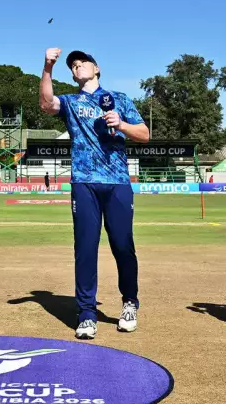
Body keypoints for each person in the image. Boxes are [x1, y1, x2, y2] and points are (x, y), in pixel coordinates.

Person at [39, 48, 150, 339]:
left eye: (82, 63)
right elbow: (47, 103)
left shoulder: (120, 99)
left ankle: (129, 303)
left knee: (123, 246)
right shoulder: (72, 102)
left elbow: (145, 134)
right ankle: (87, 313)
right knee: (85, 248)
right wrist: (48, 66)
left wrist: (121, 124)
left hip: (117, 182)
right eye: (72, 66)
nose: (77, 68)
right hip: (84, 182)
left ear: (97, 68)